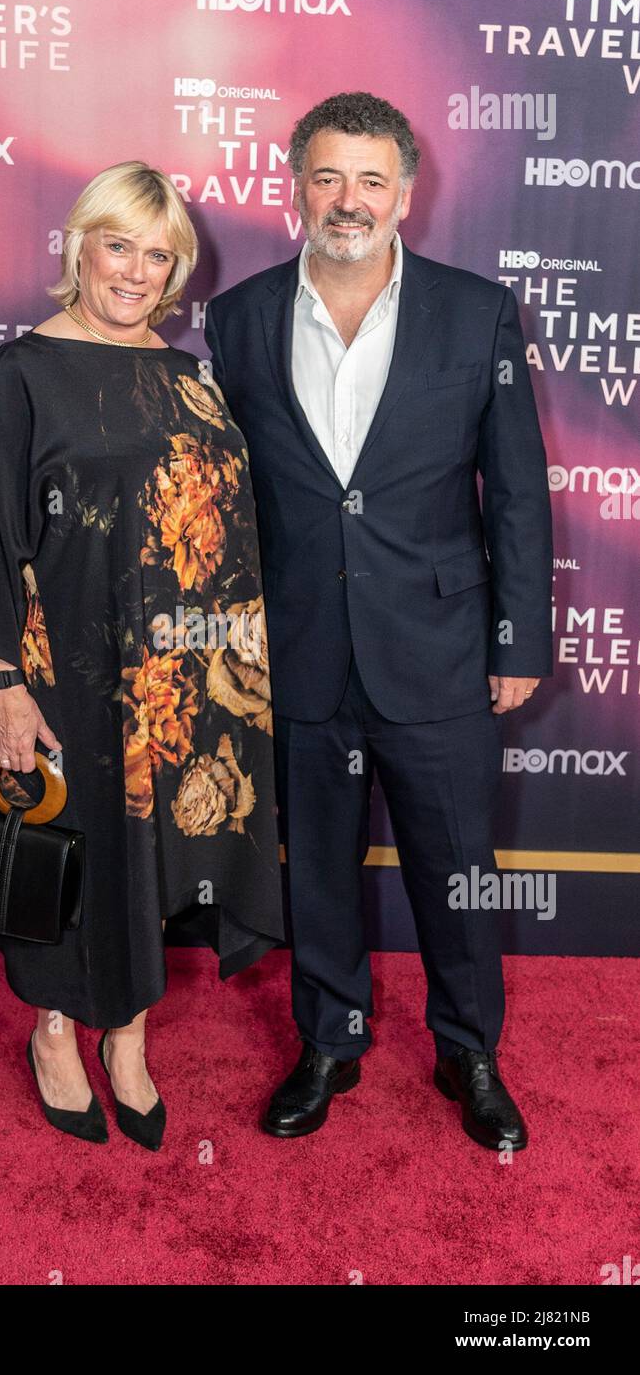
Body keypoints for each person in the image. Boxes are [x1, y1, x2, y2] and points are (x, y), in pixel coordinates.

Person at [204, 92, 553, 1149]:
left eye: (367, 179)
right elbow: (227, 495)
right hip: (298, 646)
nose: (345, 199)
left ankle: (467, 1050)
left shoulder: (475, 312)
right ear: (294, 187)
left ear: (404, 193)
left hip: (438, 649)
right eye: (324, 176)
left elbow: (518, 494)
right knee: (314, 865)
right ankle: (329, 1041)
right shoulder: (240, 316)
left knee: (454, 866)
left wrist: (517, 640)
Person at [0, 160, 284, 1151]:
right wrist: (4, 687)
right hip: (66, 676)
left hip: (183, 679)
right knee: (76, 852)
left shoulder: (187, 377)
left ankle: (126, 1036)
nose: (135, 271)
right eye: (117, 245)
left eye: (157, 253)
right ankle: (56, 1031)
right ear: (79, 248)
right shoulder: (19, 375)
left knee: (149, 859)